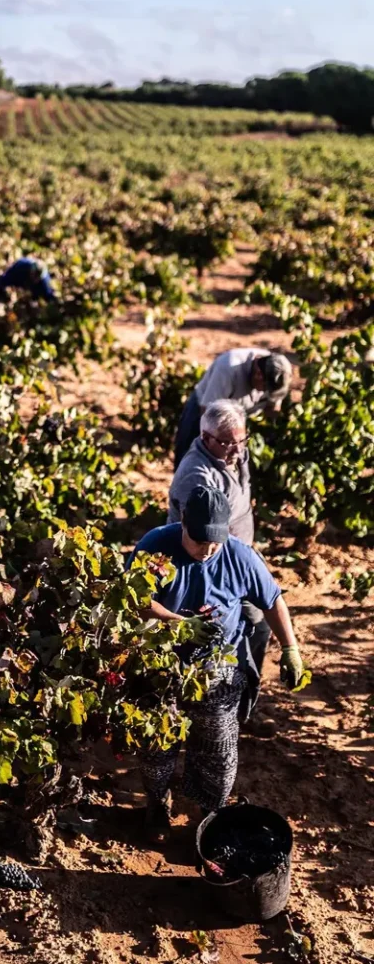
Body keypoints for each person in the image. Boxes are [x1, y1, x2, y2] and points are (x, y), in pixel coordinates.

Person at [129, 485, 306, 841]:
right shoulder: (155, 547)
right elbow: (135, 600)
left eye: (215, 542)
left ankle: (209, 813)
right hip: (160, 662)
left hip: (218, 665)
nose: (208, 549)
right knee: (156, 744)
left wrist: (291, 648)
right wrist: (178, 625)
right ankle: (156, 802)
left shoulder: (240, 556)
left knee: (218, 749)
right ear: (182, 523)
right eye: (199, 541)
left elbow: (272, 600)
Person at [168, 400, 273, 723]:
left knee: (255, 629)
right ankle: (197, 709)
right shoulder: (197, 477)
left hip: (237, 558)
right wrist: (238, 571)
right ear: (205, 436)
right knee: (216, 634)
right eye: (228, 443)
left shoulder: (235, 451)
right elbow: (204, 539)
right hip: (209, 566)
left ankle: (238, 705)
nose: (237, 449)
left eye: (242, 440)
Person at [174, 348, 293, 469]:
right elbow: (208, 415)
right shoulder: (228, 368)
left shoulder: (277, 372)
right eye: (265, 388)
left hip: (242, 415)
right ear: (258, 374)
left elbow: (273, 408)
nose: (266, 393)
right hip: (204, 409)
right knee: (188, 456)